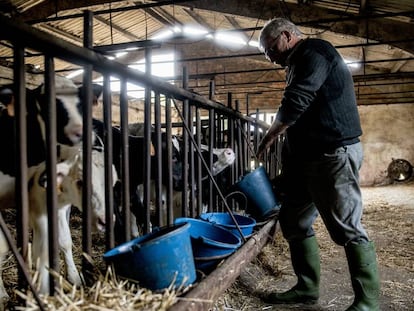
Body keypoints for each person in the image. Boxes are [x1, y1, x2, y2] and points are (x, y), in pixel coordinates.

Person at [256, 18, 380, 310]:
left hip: (332, 153)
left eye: (271, 49)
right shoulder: (298, 61)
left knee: (347, 226)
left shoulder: (315, 52)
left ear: (287, 36)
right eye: (266, 55)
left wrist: (271, 135)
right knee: (293, 220)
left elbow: (297, 99)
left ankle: (368, 302)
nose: (271, 58)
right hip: (309, 159)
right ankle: (307, 288)